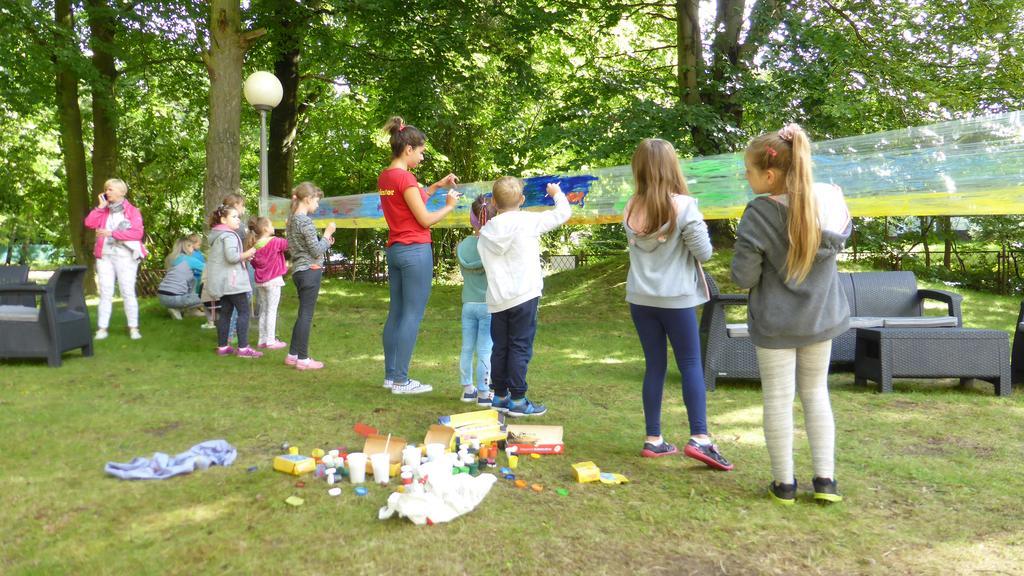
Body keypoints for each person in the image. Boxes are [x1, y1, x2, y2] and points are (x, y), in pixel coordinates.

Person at [731, 123, 852, 505]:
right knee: (817, 395)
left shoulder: (758, 214)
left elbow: (743, 277)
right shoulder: (830, 202)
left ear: (769, 175)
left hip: (775, 323)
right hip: (820, 319)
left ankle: (784, 485)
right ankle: (826, 482)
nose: (745, 177)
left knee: (778, 400)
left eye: (748, 172)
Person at [623, 139, 733, 471]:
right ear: (672, 167)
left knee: (654, 366)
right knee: (689, 365)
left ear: (638, 168)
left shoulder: (630, 206)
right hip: (677, 300)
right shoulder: (684, 206)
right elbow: (705, 253)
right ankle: (699, 437)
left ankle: (653, 440)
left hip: (641, 299)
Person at [378, 116, 460, 395]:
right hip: (415, 251)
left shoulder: (386, 177)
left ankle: (391, 376)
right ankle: (402, 381)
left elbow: (408, 202)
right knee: (412, 315)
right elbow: (424, 219)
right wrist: (449, 206)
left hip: (396, 250)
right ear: (408, 149)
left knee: (397, 313)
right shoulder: (406, 178)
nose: (423, 157)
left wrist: (436, 187)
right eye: (422, 152)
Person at [478, 177, 570, 417]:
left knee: (500, 347)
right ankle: (517, 400)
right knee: (519, 347)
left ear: (495, 202)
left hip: (498, 299)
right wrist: (556, 193)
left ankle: (499, 396)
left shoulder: (485, 232)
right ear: (522, 200)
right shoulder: (529, 221)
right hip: (524, 295)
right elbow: (562, 214)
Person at [84, 178, 148, 340]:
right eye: (106, 189)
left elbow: (136, 234)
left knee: (127, 291)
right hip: (105, 256)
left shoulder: (133, 211)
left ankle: (133, 327)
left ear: (122, 192)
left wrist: (111, 233)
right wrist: (100, 207)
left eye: (111, 189)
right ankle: (102, 328)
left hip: (126, 257)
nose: (107, 192)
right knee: (105, 292)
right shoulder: (103, 211)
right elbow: (89, 223)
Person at [284, 182, 336, 371]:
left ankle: (292, 355)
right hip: (310, 270)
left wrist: (325, 241)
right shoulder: (304, 221)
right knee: (306, 315)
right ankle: (303, 359)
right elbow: (315, 250)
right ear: (307, 199)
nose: (317, 205)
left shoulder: (290, 221)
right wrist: (327, 235)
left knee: (302, 314)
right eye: (316, 201)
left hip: (298, 271)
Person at [456, 195, 497, 406]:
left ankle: (467, 389)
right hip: (488, 305)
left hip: (468, 304)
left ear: (472, 219)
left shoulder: (462, 246)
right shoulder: (492, 246)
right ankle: (483, 393)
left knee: (466, 347)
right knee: (484, 350)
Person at [206, 204, 261, 358]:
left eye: (238, 216)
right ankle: (243, 349)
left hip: (224, 282)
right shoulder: (229, 235)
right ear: (223, 219)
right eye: (234, 217)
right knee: (244, 312)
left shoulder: (218, 235)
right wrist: (248, 253)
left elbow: (227, 258)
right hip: (233, 283)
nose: (238, 219)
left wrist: (243, 256)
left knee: (225, 313)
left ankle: (223, 347)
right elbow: (232, 257)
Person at [247, 217, 289, 349]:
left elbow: (253, 263)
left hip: (261, 282)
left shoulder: (255, 245)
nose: (273, 227)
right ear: (265, 228)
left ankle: (262, 340)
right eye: (271, 225)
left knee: (264, 310)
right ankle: (271, 341)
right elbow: (289, 244)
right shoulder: (275, 241)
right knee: (272, 310)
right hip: (274, 281)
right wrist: (289, 228)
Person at [159, 236, 204, 320]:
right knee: (209, 298)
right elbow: (209, 269)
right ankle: (178, 308)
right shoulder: (189, 260)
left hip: (162, 296)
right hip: (175, 298)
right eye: (191, 246)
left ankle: (189, 311)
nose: (193, 248)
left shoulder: (171, 259)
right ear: (186, 247)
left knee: (193, 280)